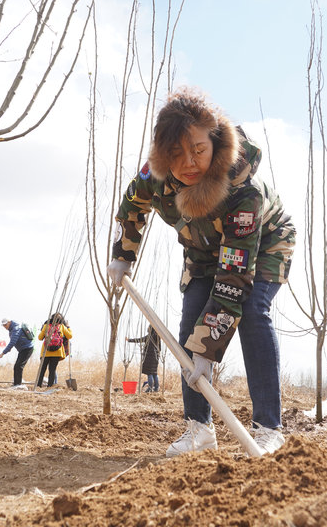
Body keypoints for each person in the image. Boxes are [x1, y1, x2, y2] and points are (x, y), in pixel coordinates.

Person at [108, 88, 296, 456]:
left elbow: (234, 276)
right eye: (176, 153)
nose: (189, 163)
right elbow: (132, 204)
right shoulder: (155, 173)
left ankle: (268, 428)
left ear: (214, 141)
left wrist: (208, 350)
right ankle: (199, 429)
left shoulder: (243, 191)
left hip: (263, 245)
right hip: (203, 250)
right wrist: (123, 255)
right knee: (189, 327)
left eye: (198, 150)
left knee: (253, 313)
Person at [37, 313, 72, 388]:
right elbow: (70, 336)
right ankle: (49, 386)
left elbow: (40, 338)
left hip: (46, 351)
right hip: (57, 352)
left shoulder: (46, 326)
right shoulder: (62, 326)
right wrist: (68, 326)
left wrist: (43, 329)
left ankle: (38, 386)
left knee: (42, 370)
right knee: (52, 370)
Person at [0, 318, 34, 387]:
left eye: (5, 325)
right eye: (3, 325)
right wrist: (10, 348)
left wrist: (3, 353)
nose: (5, 327)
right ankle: (16, 384)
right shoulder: (11, 330)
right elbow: (14, 341)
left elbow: (12, 342)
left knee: (19, 366)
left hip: (27, 348)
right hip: (22, 349)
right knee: (16, 366)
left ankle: (18, 385)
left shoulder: (15, 329)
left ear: (9, 322)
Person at [126, 326, 161, 392]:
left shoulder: (148, 337)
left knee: (149, 373)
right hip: (156, 357)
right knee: (154, 373)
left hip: (148, 357)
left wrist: (129, 340)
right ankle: (156, 388)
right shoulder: (158, 337)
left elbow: (139, 340)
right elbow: (160, 348)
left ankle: (150, 388)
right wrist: (157, 354)